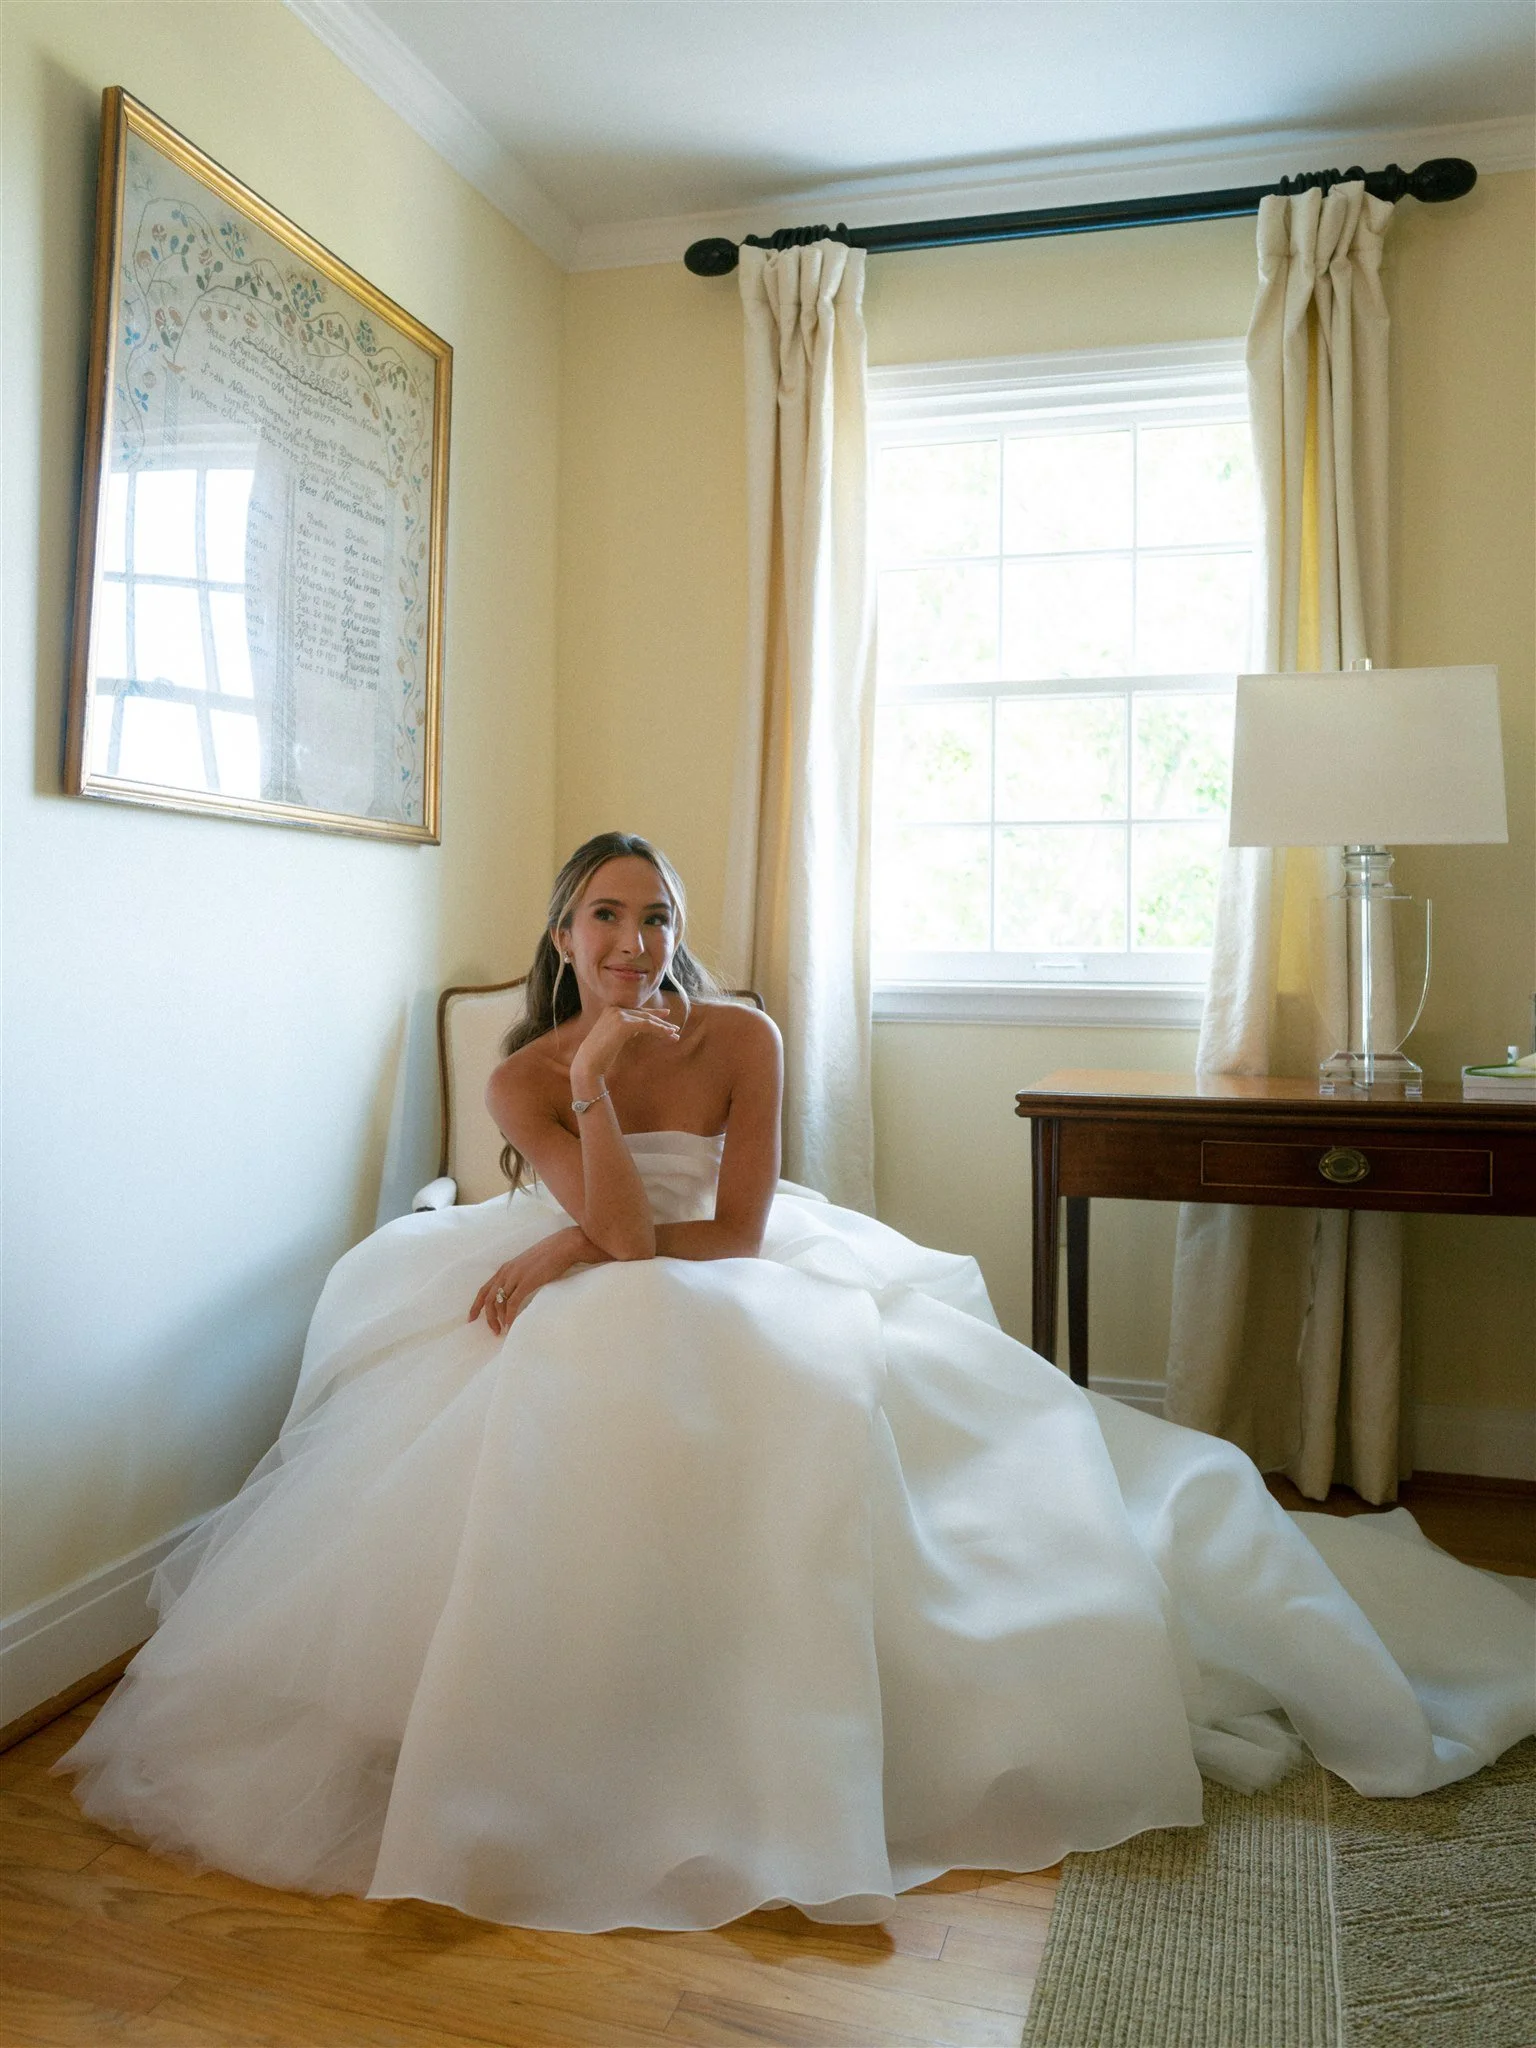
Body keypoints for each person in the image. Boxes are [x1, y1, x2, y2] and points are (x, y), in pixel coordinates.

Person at [59, 831, 1534, 1934]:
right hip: (606, 1256)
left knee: (797, 1384)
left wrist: (581, 1239)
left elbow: (732, 1236)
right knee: (561, 1369)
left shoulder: (743, 1036)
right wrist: (589, 1100)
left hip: (725, 1265)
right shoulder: (525, 1073)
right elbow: (615, 1232)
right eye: (606, 915)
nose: (634, 939)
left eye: (657, 916)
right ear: (563, 935)